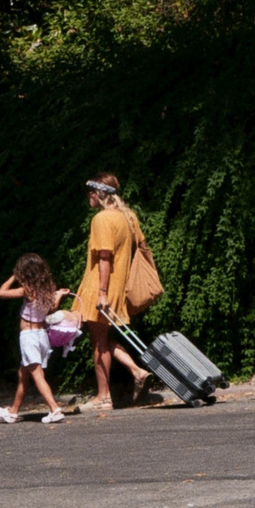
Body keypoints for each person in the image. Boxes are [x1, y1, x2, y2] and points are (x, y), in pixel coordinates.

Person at [71, 174, 156, 411]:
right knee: (104, 339)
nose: (89, 198)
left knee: (98, 343)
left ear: (98, 194)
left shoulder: (102, 219)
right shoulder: (129, 217)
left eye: (90, 193)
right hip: (119, 286)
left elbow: (104, 257)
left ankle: (103, 397)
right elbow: (140, 247)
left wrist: (101, 292)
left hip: (100, 287)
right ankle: (137, 371)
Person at [0, 254, 69, 424]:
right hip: (42, 336)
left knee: (37, 375)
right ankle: (13, 412)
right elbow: (51, 309)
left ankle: (54, 409)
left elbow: (1, 293)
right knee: (23, 374)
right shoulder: (48, 289)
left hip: (29, 337)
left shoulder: (27, 289)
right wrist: (59, 295)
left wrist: (14, 275)